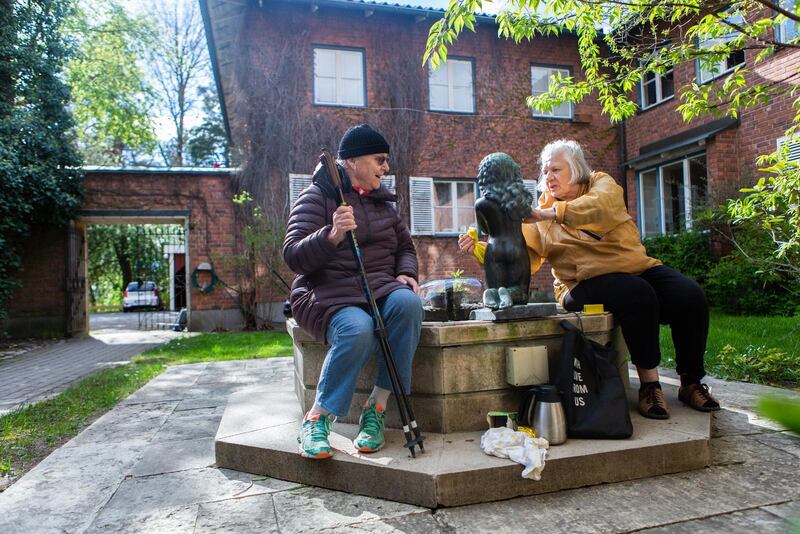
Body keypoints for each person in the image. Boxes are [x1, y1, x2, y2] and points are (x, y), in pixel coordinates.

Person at [459, 139, 720, 419]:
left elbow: (601, 207)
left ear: (576, 169)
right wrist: (477, 247)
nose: (548, 177)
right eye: (545, 172)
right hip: (581, 285)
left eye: (556, 170)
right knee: (636, 293)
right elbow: (527, 258)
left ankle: (691, 382)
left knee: (689, 296)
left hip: (636, 267)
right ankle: (650, 385)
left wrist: (550, 214)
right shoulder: (538, 212)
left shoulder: (600, 185)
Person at [283, 124, 423, 459]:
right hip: (326, 291)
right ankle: (318, 417)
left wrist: (406, 273)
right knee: (357, 328)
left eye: (385, 161)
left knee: (407, 304)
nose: (385, 167)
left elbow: (406, 247)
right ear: (352, 161)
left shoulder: (382, 205)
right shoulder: (317, 197)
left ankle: (375, 408)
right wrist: (331, 235)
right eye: (379, 159)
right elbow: (293, 256)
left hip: (377, 288)